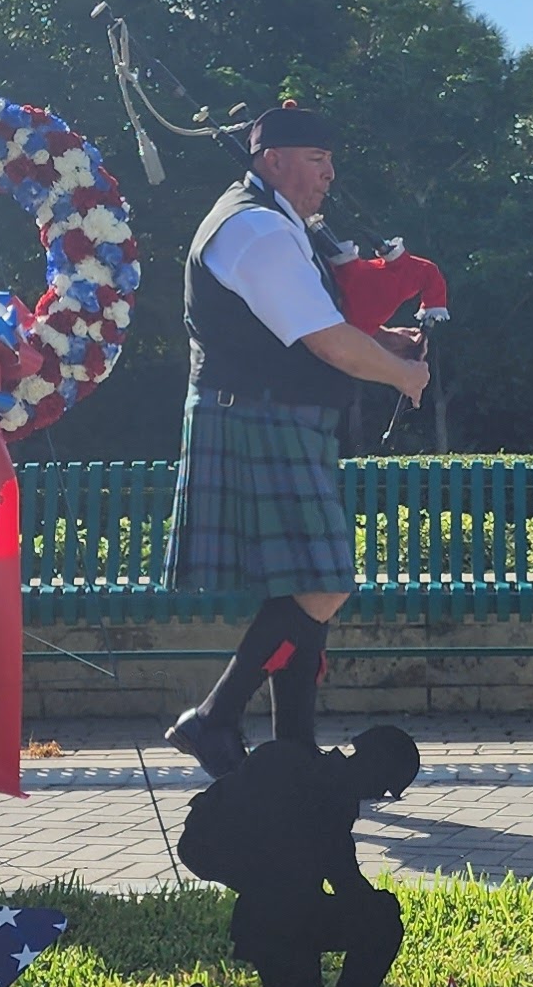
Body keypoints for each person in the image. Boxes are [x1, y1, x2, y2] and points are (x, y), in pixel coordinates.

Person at [161, 103, 427, 778]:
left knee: (303, 588)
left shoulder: (281, 225)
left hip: (273, 416)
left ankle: (294, 753)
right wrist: (402, 374)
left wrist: (385, 340)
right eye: (316, 160)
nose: (329, 175)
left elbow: (315, 321)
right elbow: (327, 342)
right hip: (257, 417)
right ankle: (214, 720)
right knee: (324, 582)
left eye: (330, 161)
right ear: (271, 160)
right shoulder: (256, 230)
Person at [168, 725, 422, 987]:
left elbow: (344, 879)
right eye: (383, 785)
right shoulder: (297, 772)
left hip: (295, 914)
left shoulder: (332, 794)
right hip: (270, 921)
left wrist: (375, 905)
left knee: (380, 917)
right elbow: (342, 879)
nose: (377, 795)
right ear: (371, 764)